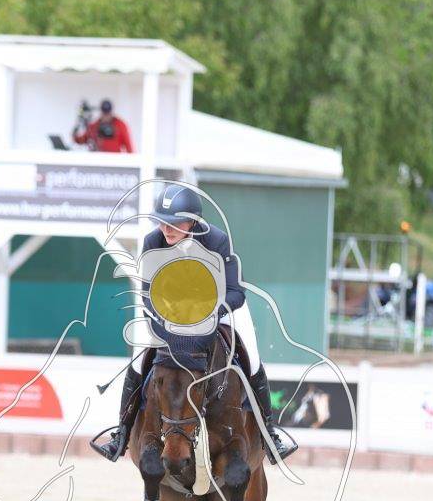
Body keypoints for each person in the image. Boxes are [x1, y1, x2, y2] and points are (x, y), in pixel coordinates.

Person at [93, 184, 296, 464]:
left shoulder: (216, 240)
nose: (166, 229)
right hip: (172, 313)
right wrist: (167, 323)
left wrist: (204, 314)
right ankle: (122, 434)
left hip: (220, 310)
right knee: (139, 361)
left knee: (252, 358)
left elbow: (235, 293)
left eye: (174, 223)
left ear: (193, 221)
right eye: (162, 222)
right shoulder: (153, 242)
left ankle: (270, 435)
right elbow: (148, 295)